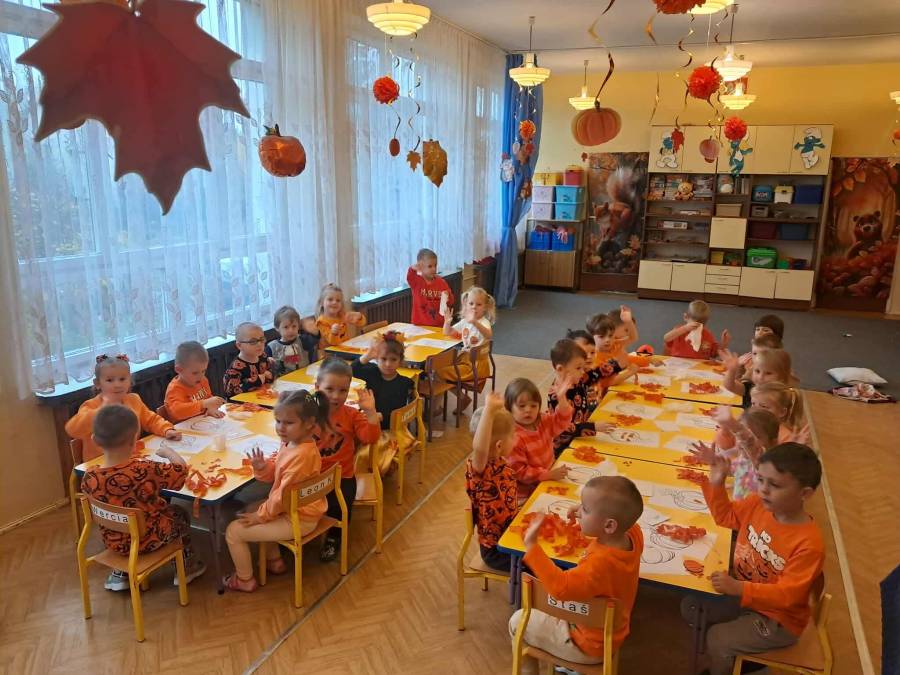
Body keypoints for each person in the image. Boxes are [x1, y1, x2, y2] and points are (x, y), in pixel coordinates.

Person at [681, 443, 825, 675]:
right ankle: (740, 655)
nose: (763, 490)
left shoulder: (809, 544)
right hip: (746, 595)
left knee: (718, 639)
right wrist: (716, 483)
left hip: (778, 620)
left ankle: (739, 665)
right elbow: (725, 516)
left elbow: (787, 596)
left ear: (805, 494)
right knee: (692, 606)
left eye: (774, 485)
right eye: (760, 480)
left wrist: (739, 588)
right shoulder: (758, 504)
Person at [508, 476, 644, 675]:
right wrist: (585, 514)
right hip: (611, 632)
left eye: (585, 509)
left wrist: (532, 547)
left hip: (586, 644)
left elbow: (560, 588)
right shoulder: (634, 535)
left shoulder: (598, 565)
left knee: (517, 621)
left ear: (609, 526)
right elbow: (616, 522)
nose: (579, 511)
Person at [81, 405, 205, 591]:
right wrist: (169, 453)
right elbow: (180, 472)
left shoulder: (89, 477)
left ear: (95, 440)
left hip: (113, 541)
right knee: (179, 514)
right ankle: (187, 568)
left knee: (122, 517)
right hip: (148, 540)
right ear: (135, 439)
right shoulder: (143, 470)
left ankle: (120, 573)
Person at [223, 390, 330, 592]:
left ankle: (244, 580)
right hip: (297, 509)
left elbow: (281, 497)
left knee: (233, 531)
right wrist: (263, 468)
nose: (281, 427)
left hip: (299, 519)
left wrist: (260, 517)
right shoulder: (294, 443)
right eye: (278, 421)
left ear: (309, 423)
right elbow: (279, 477)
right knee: (252, 508)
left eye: (288, 423)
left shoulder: (301, 455)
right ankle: (274, 560)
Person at [314, 358, 381, 562]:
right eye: (329, 389)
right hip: (311, 475)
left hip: (341, 477)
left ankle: (335, 536)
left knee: (341, 505)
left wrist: (370, 412)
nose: (336, 396)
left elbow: (370, 438)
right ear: (317, 387)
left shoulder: (351, 415)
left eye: (342, 390)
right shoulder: (307, 413)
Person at [66, 354, 180, 461]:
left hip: (129, 457)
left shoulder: (133, 400)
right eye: (110, 380)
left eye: (122, 379)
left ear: (129, 380)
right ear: (98, 383)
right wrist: (100, 411)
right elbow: (73, 430)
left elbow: (151, 420)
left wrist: (166, 429)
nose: (117, 385)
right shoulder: (91, 405)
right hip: (101, 464)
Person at [465, 392, 518, 571]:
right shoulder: (482, 472)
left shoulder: (501, 463)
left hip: (511, 536)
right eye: (513, 436)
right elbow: (481, 449)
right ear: (499, 445)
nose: (516, 439)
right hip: (496, 551)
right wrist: (489, 410)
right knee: (539, 563)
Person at [504, 377, 574, 501]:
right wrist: (547, 474)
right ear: (510, 408)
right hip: (526, 494)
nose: (528, 410)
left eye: (533, 405)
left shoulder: (543, 420)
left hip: (546, 480)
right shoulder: (513, 438)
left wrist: (562, 399)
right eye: (522, 406)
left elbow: (562, 421)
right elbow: (520, 472)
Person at [546, 338, 614, 456]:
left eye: (583, 367)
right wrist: (593, 426)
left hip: (580, 439)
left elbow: (594, 375)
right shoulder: (556, 396)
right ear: (560, 369)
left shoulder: (577, 380)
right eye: (578, 368)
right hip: (563, 448)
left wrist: (616, 364)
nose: (582, 372)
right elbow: (563, 428)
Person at [694, 407, 780, 500]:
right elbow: (730, 470)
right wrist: (714, 460)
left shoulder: (765, 463)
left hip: (754, 509)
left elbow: (749, 443)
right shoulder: (743, 459)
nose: (742, 442)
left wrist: (733, 424)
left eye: (756, 437)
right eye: (738, 437)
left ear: (773, 442)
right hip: (738, 506)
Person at [441, 286, 496, 410]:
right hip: (465, 361)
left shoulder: (484, 322)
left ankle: (460, 398)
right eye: (471, 303)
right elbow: (447, 332)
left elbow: (489, 335)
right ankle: (461, 398)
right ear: (466, 304)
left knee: (439, 374)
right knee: (439, 370)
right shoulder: (465, 321)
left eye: (479, 304)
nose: (474, 307)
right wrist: (447, 322)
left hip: (475, 366)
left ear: (485, 307)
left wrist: (475, 322)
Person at [351, 331, 414, 430]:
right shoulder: (372, 372)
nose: (388, 364)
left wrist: (378, 416)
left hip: (387, 428)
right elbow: (352, 370)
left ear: (400, 361)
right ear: (377, 359)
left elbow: (397, 413)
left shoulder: (403, 383)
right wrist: (367, 356)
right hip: (368, 423)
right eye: (383, 359)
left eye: (393, 359)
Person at [164, 341, 225, 423]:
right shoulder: (175, 389)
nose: (201, 376)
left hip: (202, 423)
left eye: (203, 371)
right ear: (179, 370)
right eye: (195, 373)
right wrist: (203, 404)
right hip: (182, 428)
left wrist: (210, 408)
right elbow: (177, 412)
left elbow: (208, 398)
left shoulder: (202, 380)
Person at [722, 347, 793, 408]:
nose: (760, 377)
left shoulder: (782, 397)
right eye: (757, 371)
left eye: (768, 373)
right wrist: (731, 370)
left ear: (782, 376)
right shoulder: (751, 388)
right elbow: (730, 386)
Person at [585, 313, 637, 393]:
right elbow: (608, 382)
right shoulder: (593, 357)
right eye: (601, 336)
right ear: (591, 337)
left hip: (616, 389)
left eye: (610, 335)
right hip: (603, 395)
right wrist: (630, 372)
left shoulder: (614, 344)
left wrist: (629, 321)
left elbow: (633, 338)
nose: (607, 340)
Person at [663, 299, 730, 359]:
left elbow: (714, 354)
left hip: (699, 367)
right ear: (685, 317)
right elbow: (666, 338)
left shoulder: (707, 335)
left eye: (700, 326)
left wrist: (724, 344)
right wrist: (684, 328)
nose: (696, 328)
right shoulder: (679, 330)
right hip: (678, 365)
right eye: (693, 325)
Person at [266, 305, 319, 378]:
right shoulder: (271, 347)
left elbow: (316, 340)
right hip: (283, 381)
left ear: (298, 326)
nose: (291, 330)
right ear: (277, 328)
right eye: (286, 327)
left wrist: (315, 332)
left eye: (294, 326)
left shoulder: (303, 340)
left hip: (303, 378)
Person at [407, 248, 454, 327]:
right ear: (420, 267)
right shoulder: (416, 282)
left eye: (435, 265)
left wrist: (448, 296)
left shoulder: (442, 283)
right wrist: (412, 269)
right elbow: (410, 277)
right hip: (419, 325)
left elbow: (451, 302)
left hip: (438, 325)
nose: (434, 269)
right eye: (430, 266)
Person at [223, 322, 273, 397]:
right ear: (239, 345)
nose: (259, 344)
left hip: (264, 396)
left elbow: (271, 374)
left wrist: (269, 374)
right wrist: (256, 380)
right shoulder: (235, 368)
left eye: (262, 339)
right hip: (244, 403)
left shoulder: (263, 356)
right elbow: (230, 391)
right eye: (253, 341)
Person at [315, 283, 366, 353]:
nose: (334, 302)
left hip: (344, 349)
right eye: (330, 299)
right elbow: (333, 342)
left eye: (338, 300)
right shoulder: (321, 321)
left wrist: (359, 316)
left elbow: (362, 323)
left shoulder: (342, 315)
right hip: (330, 354)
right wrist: (334, 333)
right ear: (321, 303)